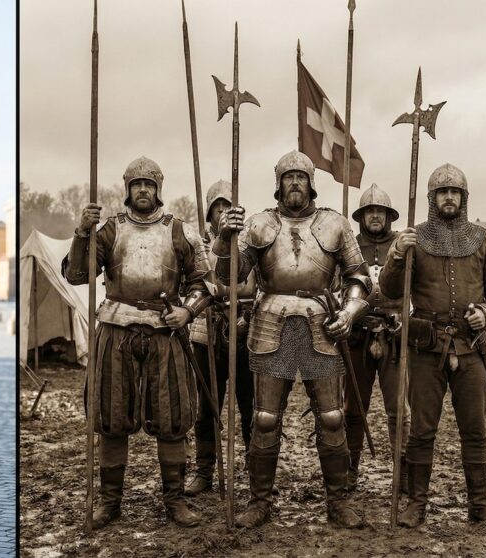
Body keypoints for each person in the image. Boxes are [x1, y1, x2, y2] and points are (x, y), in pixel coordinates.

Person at [214, 150, 371, 529]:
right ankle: (260, 502)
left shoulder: (334, 224)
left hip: (322, 321)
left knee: (332, 418)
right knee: (265, 419)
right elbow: (230, 278)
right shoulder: (259, 224)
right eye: (289, 177)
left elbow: (360, 278)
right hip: (271, 323)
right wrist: (225, 240)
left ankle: (338, 501)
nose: (295, 183)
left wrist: (349, 313)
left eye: (301, 176)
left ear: (311, 182)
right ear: (279, 184)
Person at [63, 156, 212, 528]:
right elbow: (78, 274)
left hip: (166, 331)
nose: (143, 190)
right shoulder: (109, 230)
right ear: (127, 188)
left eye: (149, 184)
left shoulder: (181, 230)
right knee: (111, 416)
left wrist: (188, 312)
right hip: (116, 328)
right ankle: (110, 502)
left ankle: (174, 501)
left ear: (158, 188)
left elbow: (204, 284)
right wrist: (83, 232)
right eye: (136, 184)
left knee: (172, 416)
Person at [380, 163, 486, 529]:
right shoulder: (415, 238)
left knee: (475, 429)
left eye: (455, 192)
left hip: (471, 347)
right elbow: (391, 290)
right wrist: (396, 255)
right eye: (443, 192)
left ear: (464, 198)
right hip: (427, 348)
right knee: (422, 429)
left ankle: (480, 506)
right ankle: (417, 505)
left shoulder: (485, 241)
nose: (449, 197)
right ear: (432, 198)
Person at [184, 179, 256, 497]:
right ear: (210, 214)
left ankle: (257, 471)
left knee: (251, 408)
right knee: (207, 409)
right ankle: (203, 471)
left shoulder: (250, 246)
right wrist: (217, 288)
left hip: (245, 332)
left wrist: (223, 289)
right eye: (218, 208)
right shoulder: (199, 246)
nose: (224, 213)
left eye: (229, 207)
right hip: (206, 335)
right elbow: (200, 285)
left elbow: (250, 288)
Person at [344, 184, 410, 492]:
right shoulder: (350, 246)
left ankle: (405, 471)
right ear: (360, 216)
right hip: (358, 334)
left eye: (379, 211)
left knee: (398, 409)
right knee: (354, 407)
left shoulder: (404, 244)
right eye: (369, 211)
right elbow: (337, 286)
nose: (374, 216)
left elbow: (416, 288)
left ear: (388, 216)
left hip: (393, 336)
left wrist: (405, 318)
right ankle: (349, 469)